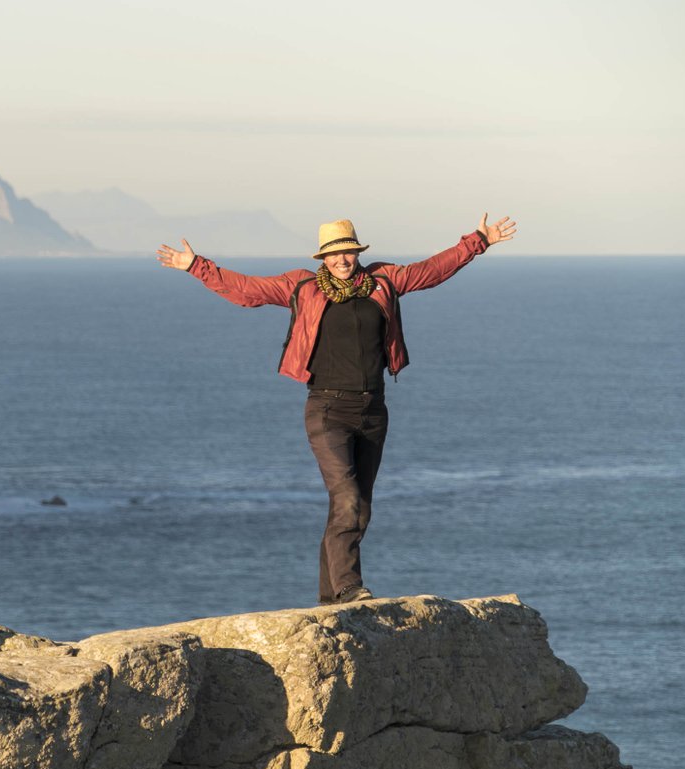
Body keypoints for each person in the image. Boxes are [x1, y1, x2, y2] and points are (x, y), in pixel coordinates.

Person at [156, 214, 517, 605]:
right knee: (346, 500)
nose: (342, 259)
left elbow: (430, 271)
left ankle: (329, 599)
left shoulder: (384, 281)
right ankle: (348, 588)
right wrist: (196, 266)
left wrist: (478, 240)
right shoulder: (302, 286)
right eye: (333, 254)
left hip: (373, 410)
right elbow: (248, 290)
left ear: (357, 252)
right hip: (327, 409)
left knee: (358, 508)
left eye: (347, 251)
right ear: (323, 258)